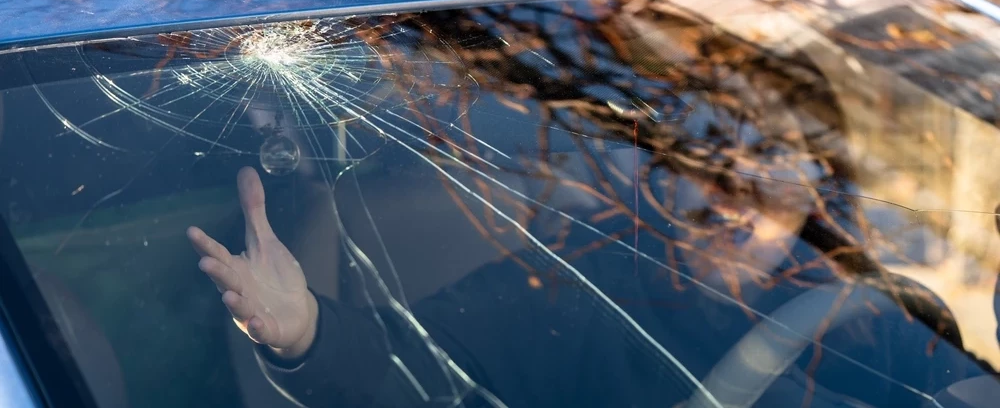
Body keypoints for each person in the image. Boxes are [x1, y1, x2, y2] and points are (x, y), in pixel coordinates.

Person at [188, 167, 982, 408]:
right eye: (710, 173)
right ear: (662, 182)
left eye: (771, 179)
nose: (736, 206)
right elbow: (420, 362)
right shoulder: (575, 291)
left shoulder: (877, 314)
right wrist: (308, 332)